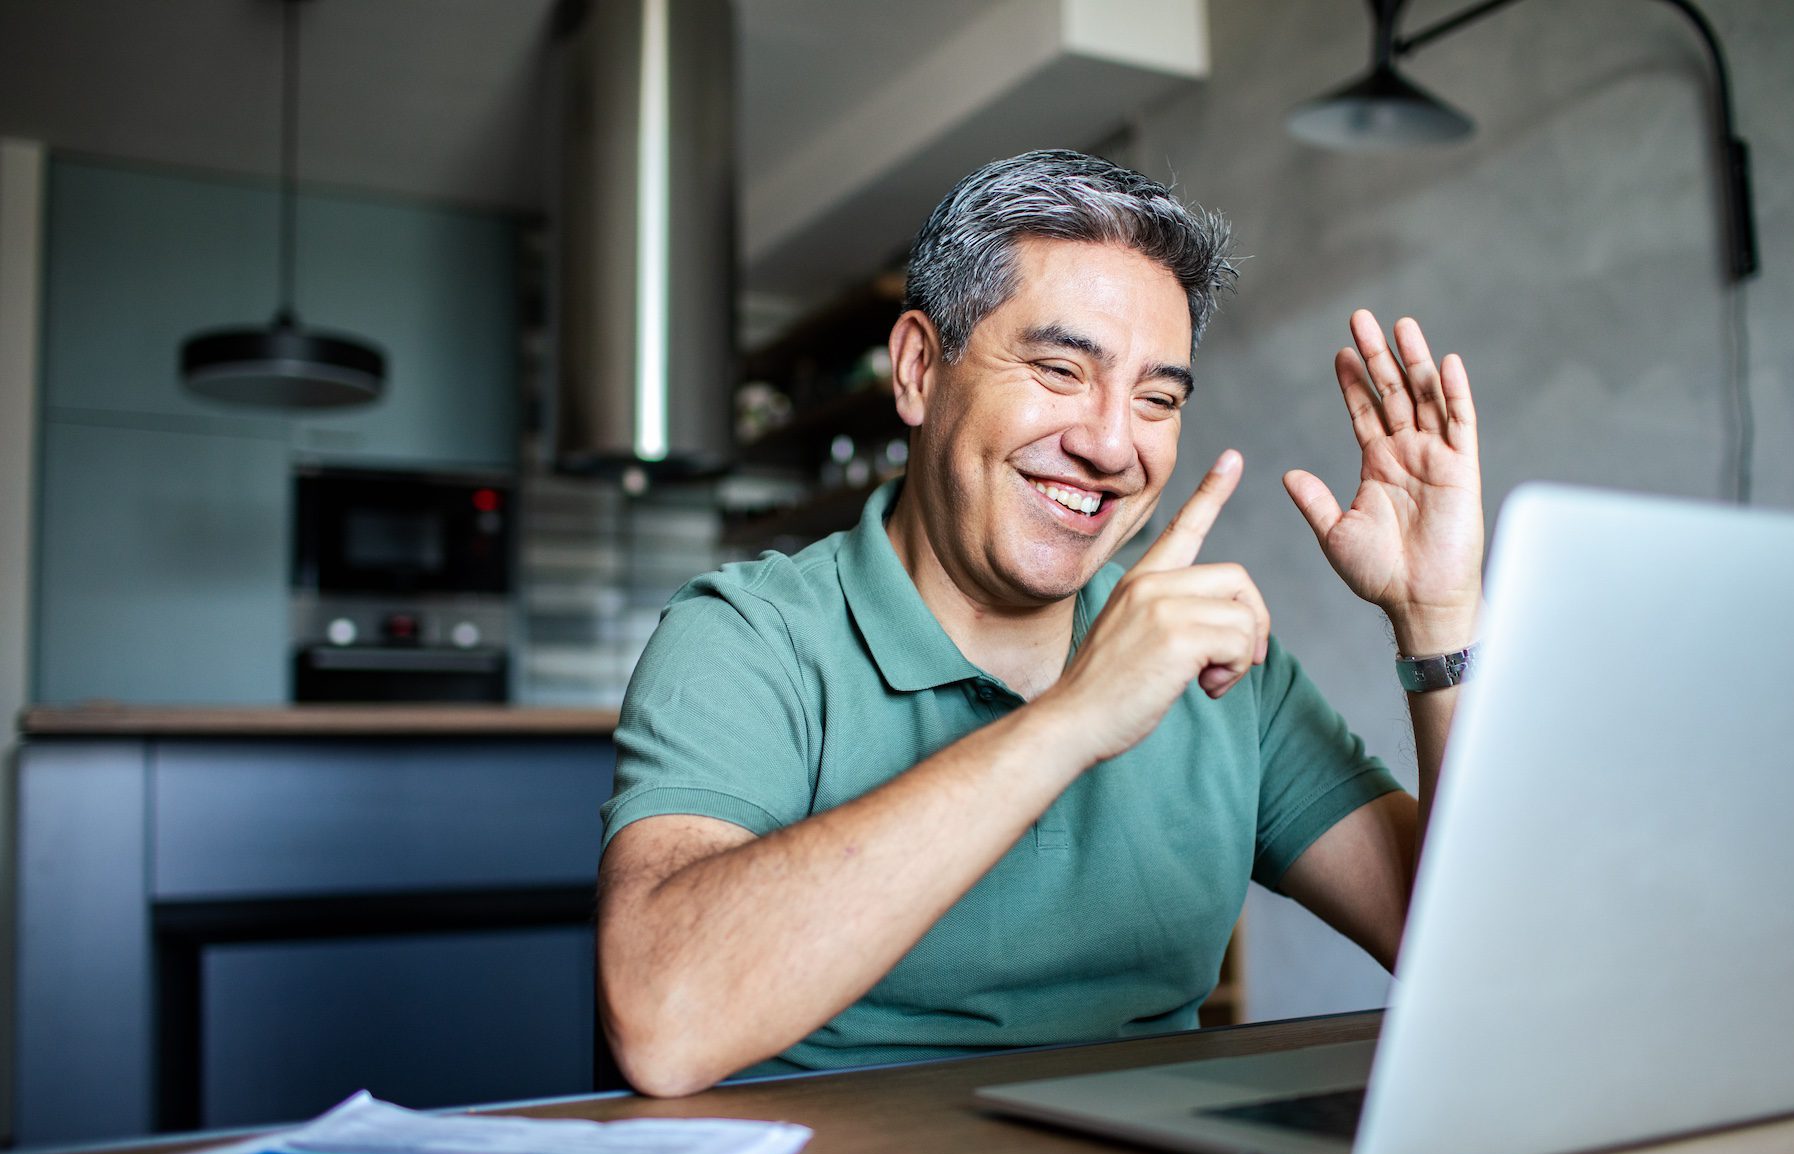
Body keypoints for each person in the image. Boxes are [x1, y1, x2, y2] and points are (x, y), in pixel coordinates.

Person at [597, 150, 1483, 1097]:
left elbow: (1477, 963)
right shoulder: (748, 637)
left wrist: (1436, 618)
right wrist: (1072, 719)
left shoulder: (1221, 666)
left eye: (1157, 399)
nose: (1109, 444)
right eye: (1061, 369)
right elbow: (663, 1021)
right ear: (917, 372)